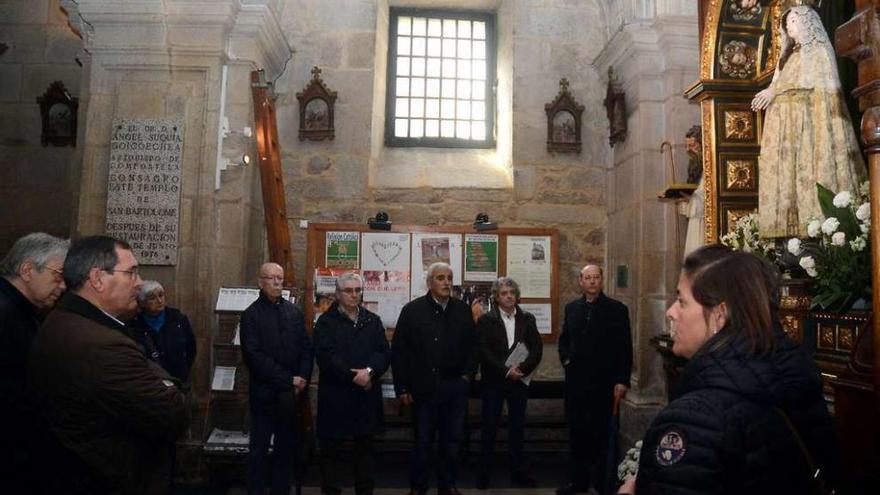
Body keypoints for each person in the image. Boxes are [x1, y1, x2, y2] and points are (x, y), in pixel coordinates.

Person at [618, 247, 839, 494]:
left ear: (719, 316)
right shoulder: (794, 379)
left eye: (682, 301)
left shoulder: (696, 417)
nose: (671, 311)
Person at [27, 235, 188, 495]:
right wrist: (169, 386)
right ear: (98, 278)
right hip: (110, 479)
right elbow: (173, 413)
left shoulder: (69, 319)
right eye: (132, 273)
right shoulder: (101, 344)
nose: (139, 284)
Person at [751, 4, 866, 238]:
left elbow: (814, 83)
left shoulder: (818, 51)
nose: (790, 28)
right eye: (787, 24)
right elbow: (780, 82)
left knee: (808, 172)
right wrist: (772, 90)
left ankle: (817, 233)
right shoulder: (788, 57)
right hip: (786, 127)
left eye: (794, 21)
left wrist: (776, 91)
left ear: (807, 22)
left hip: (807, 125)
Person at [392, 262, 479, 495]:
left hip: (454, 388)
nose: (446, 282)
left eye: (449, 278)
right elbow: (400, 352)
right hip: (423, 390)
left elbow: (473, 347)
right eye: (441, 278)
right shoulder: (412, 310)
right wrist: (402, 388)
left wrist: (466, 377)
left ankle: (447, 485)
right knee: (422, 442)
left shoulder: (461, 310)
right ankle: (419, 487)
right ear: (430, 283)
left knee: (452, 442)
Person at [0, 232, 69, 491]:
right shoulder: (6, 313)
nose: (62, 286)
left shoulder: (26, 312)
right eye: (58, 276)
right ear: (28, 269)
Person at [557, 264, 633, 495]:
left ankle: (602, 482)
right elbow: (564, 340)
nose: (591, 282)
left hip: (604, 383)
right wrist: (567, 360)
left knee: (602, 434)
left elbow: (625, 348)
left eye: (596, 277)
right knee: (577, 433)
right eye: (587, 278)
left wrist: (622, 380)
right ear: (580, 281)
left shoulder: (617, 309)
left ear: (602, 280)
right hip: (577, 384)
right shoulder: (572, 308)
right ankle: (577, 482)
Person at [240, 262, 314, 495]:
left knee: (285, 449)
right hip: (264, 394)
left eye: (280, 279)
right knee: (259, 451)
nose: (276, 283)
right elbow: (254, 357)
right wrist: (288, 379)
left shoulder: (293, 312)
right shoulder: (251, 315)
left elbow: (305, 347)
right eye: (271, 278)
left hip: (289, 396)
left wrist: (302, 376)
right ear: (260, 282)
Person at [313, 272, 391, 495]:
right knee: (331, 454)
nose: (354, 295)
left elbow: (383, 352)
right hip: (336, 397)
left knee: (365, 454)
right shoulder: (326, 323)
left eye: (358, 290)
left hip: (365, 398)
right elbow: (327, 357)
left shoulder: (371, 320)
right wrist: (354, 376)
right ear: (338, 294)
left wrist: (369, 371)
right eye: (348, 290)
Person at [475, 277, 543, 489]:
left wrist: (522, 370)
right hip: (494, 382)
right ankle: (484, 474)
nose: (509, 296)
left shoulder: (527, 319)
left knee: (517, 428)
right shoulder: (486, 320)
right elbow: (483, 351)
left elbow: (537, 349)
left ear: (517, 296)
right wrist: (506, 371)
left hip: (518, 383)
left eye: (512, 292)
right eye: (504, 293)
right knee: (489, 428)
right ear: (496, 297)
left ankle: (518, 473)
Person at [128, 280, 197, 385]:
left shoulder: (178, 319)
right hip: (149, 383)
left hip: (177, 381)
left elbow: (191, 349)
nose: (159, 301)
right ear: (142, 302)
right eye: (152, 298)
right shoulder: (134, 325)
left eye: (161, 295)